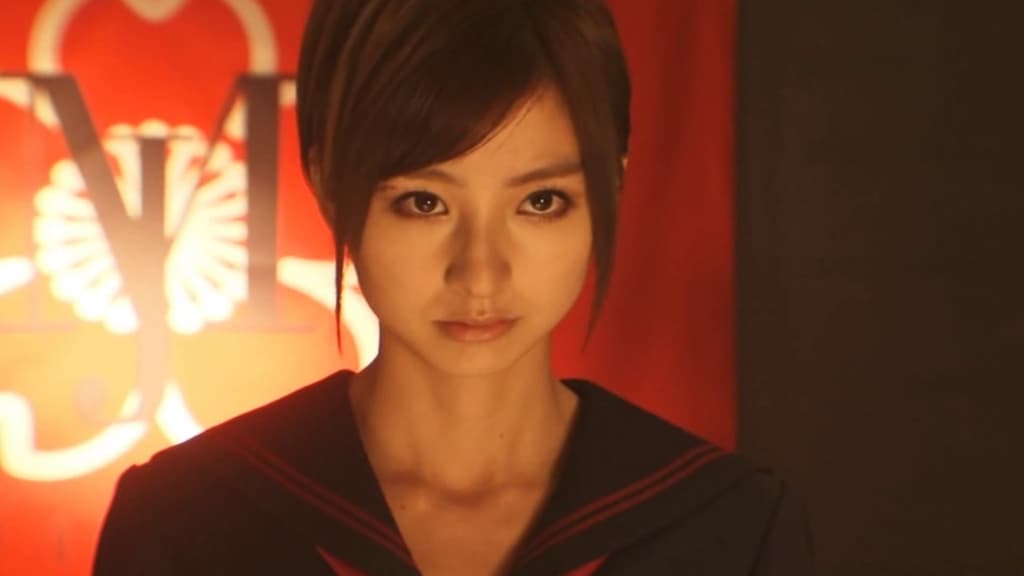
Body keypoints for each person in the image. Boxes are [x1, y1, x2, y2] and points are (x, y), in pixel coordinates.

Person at [93, 0, 814, 574]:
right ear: (329, 185)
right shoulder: (189, 521)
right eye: (424, 202)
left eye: (540, 202)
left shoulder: (727, 526)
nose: (480, 272)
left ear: (609, 186)